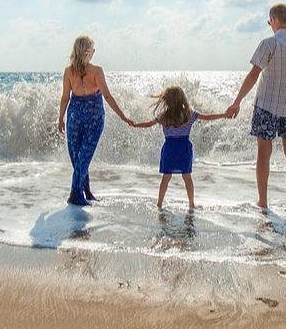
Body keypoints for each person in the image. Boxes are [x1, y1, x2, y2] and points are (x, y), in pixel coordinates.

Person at [224, 3, 286, 212]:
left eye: (269, 22)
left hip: (266, 106)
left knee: (263, 155)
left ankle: (263, 202)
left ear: (273, 20)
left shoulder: (269, 44)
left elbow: (254, 75)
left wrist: (237, 101)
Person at [57, 35, 131, 206]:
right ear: (88, 52)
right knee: (82, 157)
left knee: (80, 156)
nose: (94, 53)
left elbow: (65, 98)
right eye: (92, 50)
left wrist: (61, 118)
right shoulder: (96, 71)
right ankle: (76, 194)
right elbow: (107, 95)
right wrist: (123, 116)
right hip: (93, 116)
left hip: (75, 115)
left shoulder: (69, 71)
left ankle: (85, 191)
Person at [132, 85, 229, 210]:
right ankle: (191, 204)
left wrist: (134, 124)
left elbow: (149, 124)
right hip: (184, 149)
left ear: (167, 100)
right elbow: (208, 117)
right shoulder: (189, 114)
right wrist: (224, 115)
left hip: (169, 149)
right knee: (187, 177)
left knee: (166, 177)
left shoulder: (164, 116)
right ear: (182, 99)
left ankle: (159, 203)